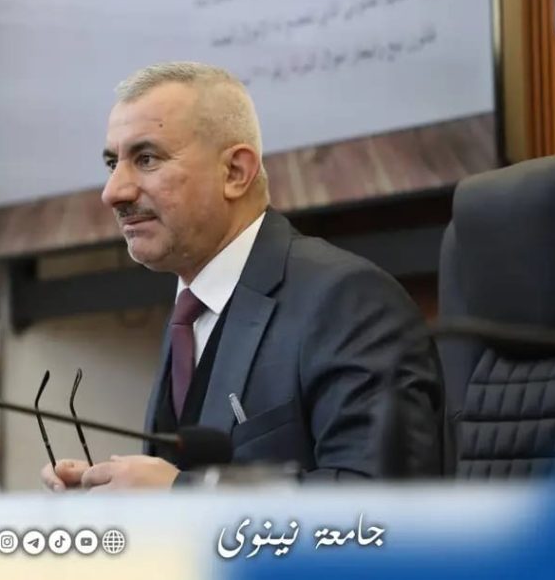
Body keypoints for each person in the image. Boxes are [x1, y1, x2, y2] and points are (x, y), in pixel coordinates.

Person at [41, 61, 446, 491]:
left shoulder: (349, 301)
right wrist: (112, 489)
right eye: (112, 164)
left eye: (147, 159)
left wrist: (181, 493)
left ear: (235, 172)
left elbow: (383, 505)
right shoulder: (190, 311)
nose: (113, 192)